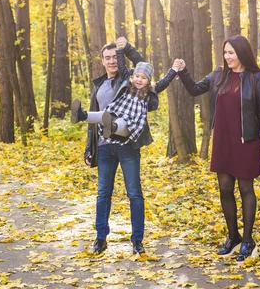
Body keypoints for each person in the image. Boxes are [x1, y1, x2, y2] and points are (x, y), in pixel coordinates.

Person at [73, 36, 181, 255]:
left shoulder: (129, 78)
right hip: (104, 146)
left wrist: (126, 48)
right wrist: (88, 148)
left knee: (134, 193)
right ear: (102, 60)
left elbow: (143, 66)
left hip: (127, 145)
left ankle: (137, 241)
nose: (112, 61)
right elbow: (93, 124)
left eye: (115, 57)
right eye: (108, 58)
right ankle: (100, 238)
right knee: (103, 193)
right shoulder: (99, 86)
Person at [177, 35, 260, 263]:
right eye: (225, 52)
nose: (227, 57)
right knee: (224, 188)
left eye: (231, 52)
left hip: (246, 140)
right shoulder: (218, 75)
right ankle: (233, 236)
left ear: (241, 53)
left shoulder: (255, 77)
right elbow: (193, 89)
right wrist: (183, 72)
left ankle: (248, 241)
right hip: (222, 140)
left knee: (245, 188)